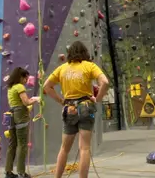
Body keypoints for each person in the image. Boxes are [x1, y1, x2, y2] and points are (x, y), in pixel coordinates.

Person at [44, 41, 109, 178]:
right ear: (84, 52)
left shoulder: (62, 69)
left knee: (64, 148)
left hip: (69, 108)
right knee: (84, 148)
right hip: (86, 106)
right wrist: (97, 99)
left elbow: (47, 86)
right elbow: (105, 82)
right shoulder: (89, 66)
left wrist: (61, 101)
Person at [5, 67, 41, 178]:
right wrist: (36, 99)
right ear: (21, 77)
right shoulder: (20, 87)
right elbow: (26, 102)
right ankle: (21, 172)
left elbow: (16, 104)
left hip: (11, 115)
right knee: (22, 144)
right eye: (25, 78)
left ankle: (8, 172)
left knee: (12, 144)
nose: (26, 81)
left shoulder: (10, 88)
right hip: (20, 115)